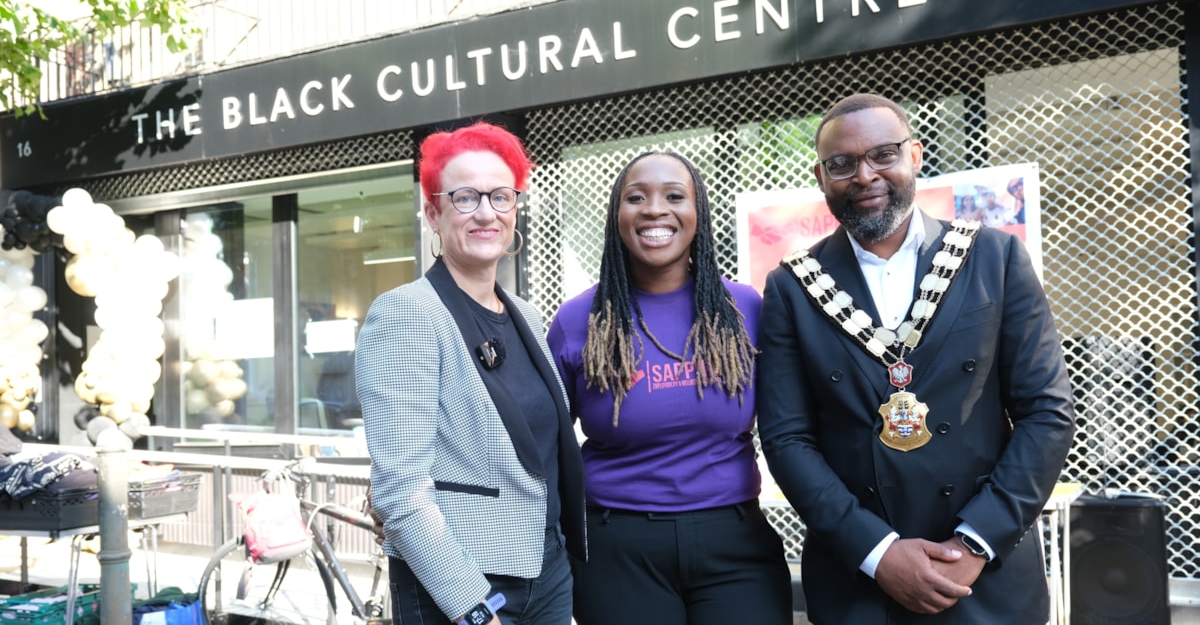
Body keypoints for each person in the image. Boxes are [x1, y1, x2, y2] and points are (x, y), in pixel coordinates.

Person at [755, 94, 1075, 624]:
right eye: (842, 164)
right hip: (858, 581)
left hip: (986, 577)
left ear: (915, 155)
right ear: (821, 177)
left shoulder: (993, 258)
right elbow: (788, 438)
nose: (864, 175)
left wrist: (974, 545)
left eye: (883, 154)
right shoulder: (792, 288)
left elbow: (1047, 411)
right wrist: (877, 554)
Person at [547, 151, 792, 625]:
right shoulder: (580, 320)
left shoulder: (744, 310)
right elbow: (543, 442)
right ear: (617, 216)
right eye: (635, 198)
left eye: (674, 196)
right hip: (618, 545)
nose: (655, 209)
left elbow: (794, 421)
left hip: (735, 541)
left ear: (698, 213)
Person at [356, 122, 585, 625]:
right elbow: (400, 490)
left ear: (515, 209)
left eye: (501, 196)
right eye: (465, 197)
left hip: (546, 575)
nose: (486, 212)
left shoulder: (524, 312)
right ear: (433, 212)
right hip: (459, 584)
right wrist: (472, 609)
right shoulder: (406, 314)